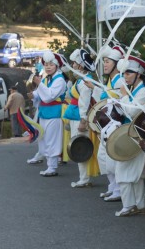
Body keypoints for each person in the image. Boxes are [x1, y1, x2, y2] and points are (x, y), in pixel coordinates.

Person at [108, 55, 145, 217]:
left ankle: (129, 205)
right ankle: (138, 205)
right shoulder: (134, 89)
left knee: (125, 171)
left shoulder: (144, 92)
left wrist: (123, 97)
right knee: (134, 173)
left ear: (138, 74)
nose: (125, 76)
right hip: (130, 133)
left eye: (128, 73)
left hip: (136, 135)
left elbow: (133, 112)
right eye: (124, 73)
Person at [95, 44, 126, 201]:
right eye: (104, 61)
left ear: (116, 63)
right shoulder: (110, 80)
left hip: (116, 124)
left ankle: (119, 190)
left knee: (112, 158)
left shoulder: (120, 80)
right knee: (104, 157)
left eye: (108, 61)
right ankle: (112, 187)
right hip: (107, 123)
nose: (105, 64)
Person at [30, 51, 68, 176]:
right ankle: (49, 165)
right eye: (46, 64)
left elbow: (49, 96)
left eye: (51, 64)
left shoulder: (60, 80)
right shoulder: (47, 78)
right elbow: (41, 93)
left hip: (54, 113)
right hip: (45, 113)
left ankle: (52, 167)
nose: (48, 67)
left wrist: (39, 84)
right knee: (44, 139)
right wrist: (33, 94)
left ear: (56, 66)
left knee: (52, 140)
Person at [65, 48, 97, 188]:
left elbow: (84, 103)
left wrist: (83, 121)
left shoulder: (84, 82)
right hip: (75, 116)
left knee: (79, 147)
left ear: (80, 65)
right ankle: (83, 177)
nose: (72, 66)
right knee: (78, 146)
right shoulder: (81, 80)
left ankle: (84, 178)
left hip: (80, 118)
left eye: (74, 63)